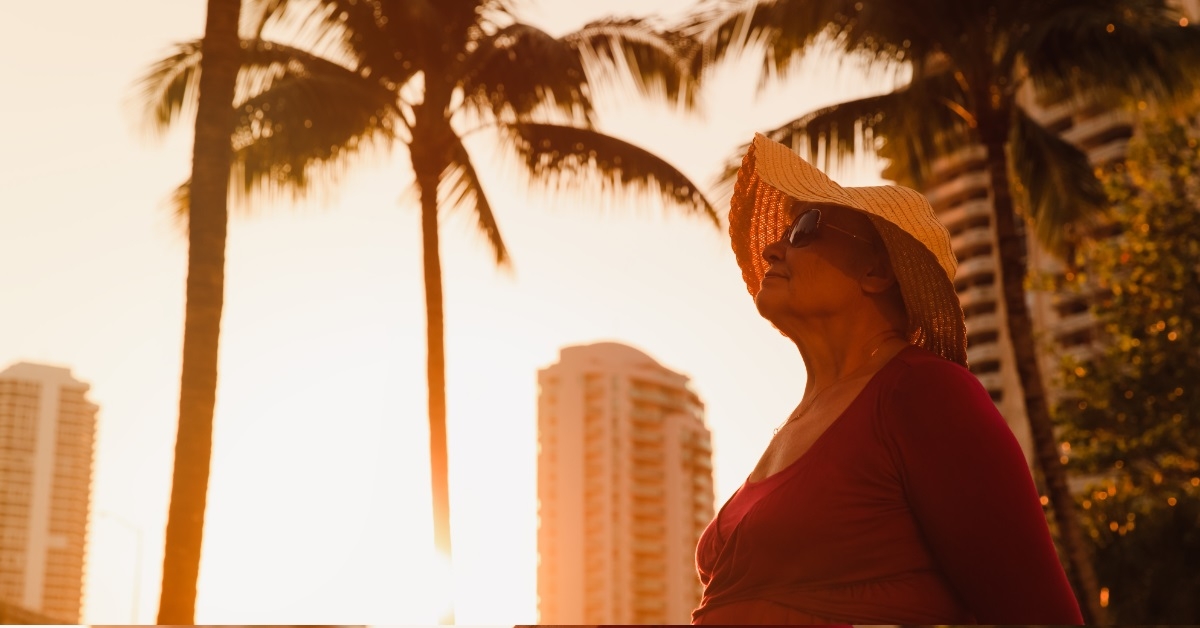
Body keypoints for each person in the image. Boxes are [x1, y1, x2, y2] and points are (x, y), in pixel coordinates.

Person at [691, 134, 1084, 625]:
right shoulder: (802, 418)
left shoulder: (925, 395)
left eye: (804, 229)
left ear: (877, 270)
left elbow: (1039, 614)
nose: (772, 248)